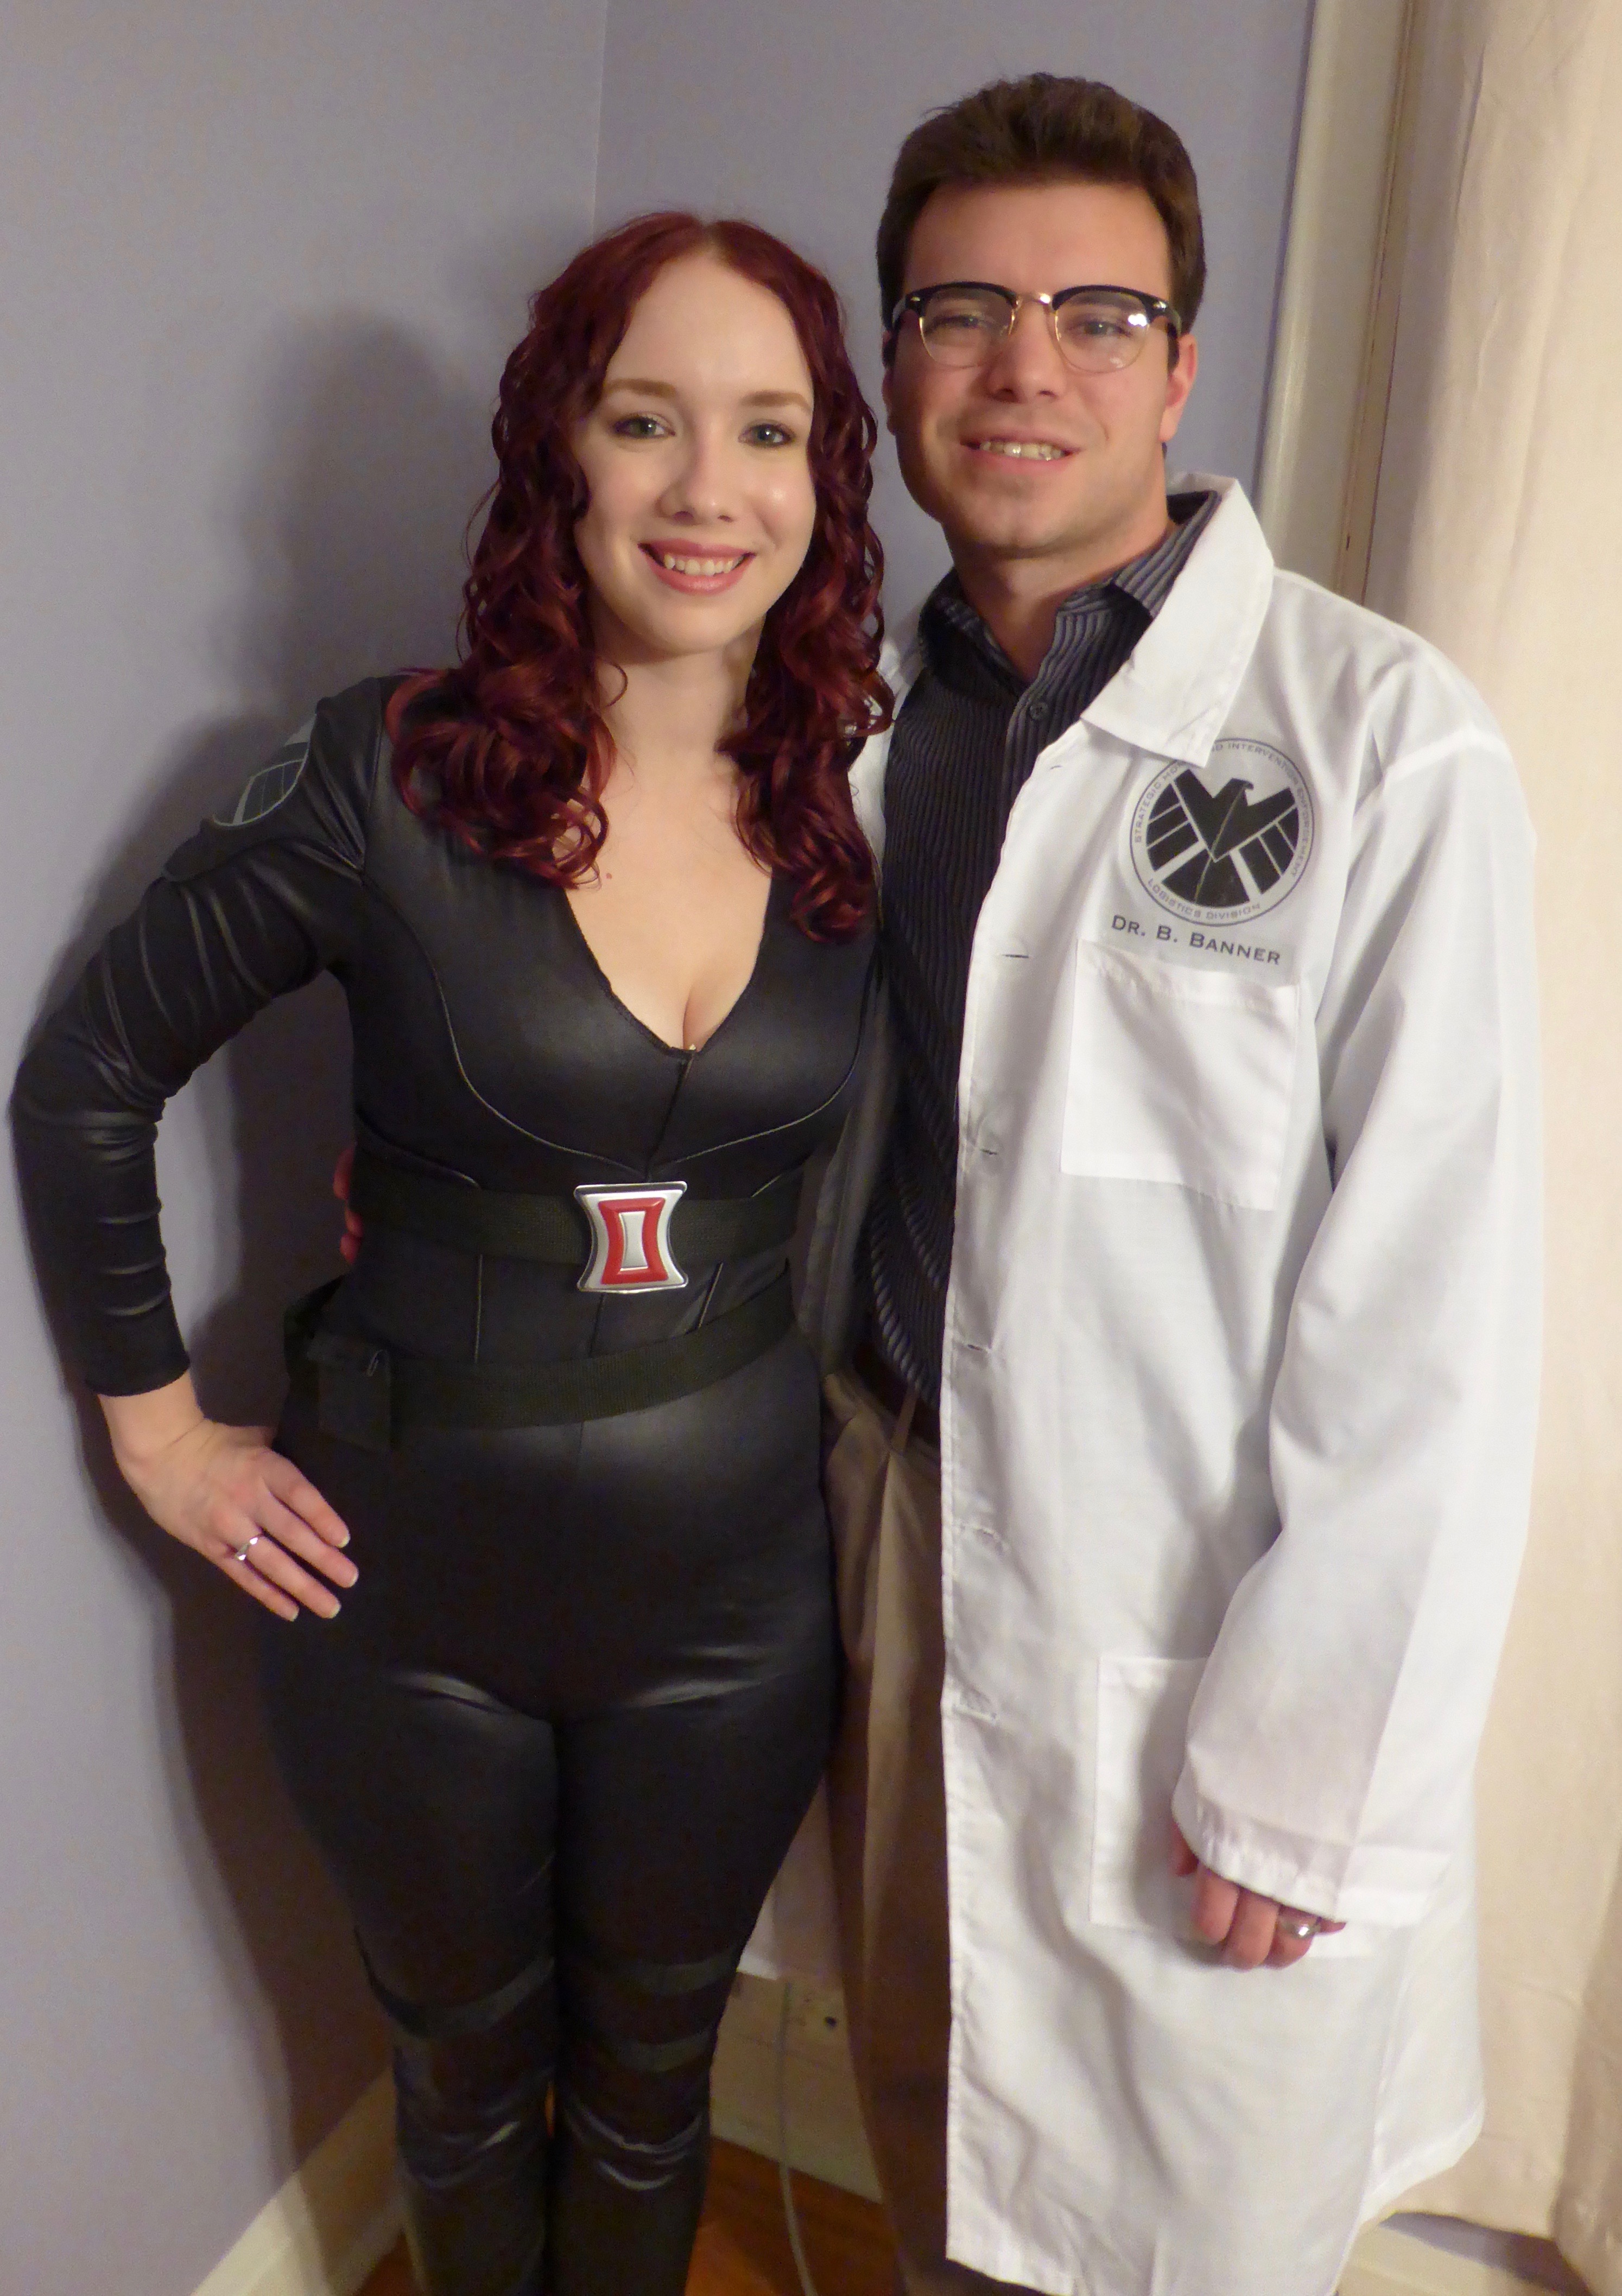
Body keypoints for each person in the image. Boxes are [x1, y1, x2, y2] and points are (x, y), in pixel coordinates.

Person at [12, 211, 890, 2296]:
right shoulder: (383, 772)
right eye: (645, 419)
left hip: (735, 1601)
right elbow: (86, 1077)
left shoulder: (871, 801)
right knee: (465, 2082)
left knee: (656, 2083)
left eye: (767, 430)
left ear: (824, 480)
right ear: (557, 449)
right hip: (402, 1599)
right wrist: (161, 1442)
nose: (707, 487)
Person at [791, 72, 1542, 2296]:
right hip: (889, 1521)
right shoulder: (853, 725)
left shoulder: (1379, 737)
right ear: (897, 359)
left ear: (1179, 365)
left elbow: (1440, 1306)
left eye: (1095, 314)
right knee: (936, 2122)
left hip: (1195, 1601)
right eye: (962, 310)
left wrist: (1313, 1771)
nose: (1024, 366)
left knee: (1185, 2208)